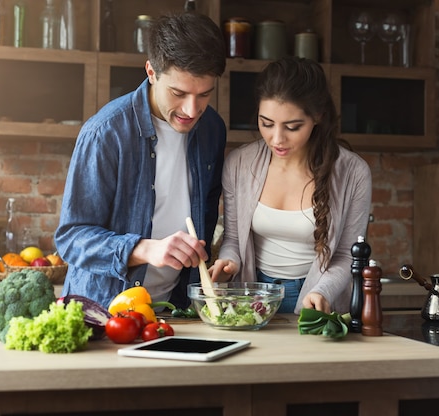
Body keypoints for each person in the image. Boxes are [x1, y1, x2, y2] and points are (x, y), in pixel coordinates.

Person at [55, 12, 227, 310]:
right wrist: (145, 249)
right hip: (104, 312)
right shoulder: (105, 132)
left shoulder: (212, 128)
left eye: (204, 95)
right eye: (178, 93)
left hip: (175, 311)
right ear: (151, 72)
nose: (191, 109)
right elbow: (72, 238)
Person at [210, 56, 372, 314]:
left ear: (317, 116)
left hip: (315, 298)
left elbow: (346, 255)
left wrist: (321, 292)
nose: (277, 139)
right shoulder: (239, 164)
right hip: (253, 297)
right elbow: (233, 238)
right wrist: (229, 261)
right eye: (266, 123)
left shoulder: (353, 173)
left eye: (293, 127)